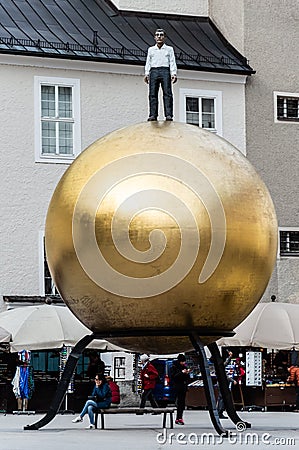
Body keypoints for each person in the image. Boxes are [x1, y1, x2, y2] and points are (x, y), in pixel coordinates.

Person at [144, 28, 177, 121]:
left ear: (164, 37)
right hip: (154, 70)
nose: (159, 37)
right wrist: (147, 73)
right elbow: (148, 62)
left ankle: (169, 114)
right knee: (152, 94)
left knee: (167, 93)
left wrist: (173, 73)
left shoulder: (169, 49)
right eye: (157, 35)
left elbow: (172, 61)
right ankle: (153, 114)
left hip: (165, 70)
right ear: (154, 37)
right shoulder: (151, 50)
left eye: (161, 35)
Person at [170, 354, 190, 425]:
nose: (184, 363)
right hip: (177, 387)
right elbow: (174, 377)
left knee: (182, 403)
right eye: (182, 361)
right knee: (179, 403)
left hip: (183, 387)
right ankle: (178, 418)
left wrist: (187, 374)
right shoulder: (174, 367)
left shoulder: (184, 367)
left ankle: (180, 417)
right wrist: (182, 373)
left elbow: (187, 378)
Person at [216, 351, 237, 419]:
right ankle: (220, 412)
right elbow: (225, 376)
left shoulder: (218, 365)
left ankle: (219, 411)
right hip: (222, 383)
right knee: (222, 398)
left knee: (220, 398)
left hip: (220, 383)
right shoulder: (218, 367)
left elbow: (225, 363)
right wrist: (232, 380)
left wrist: (230, 357)